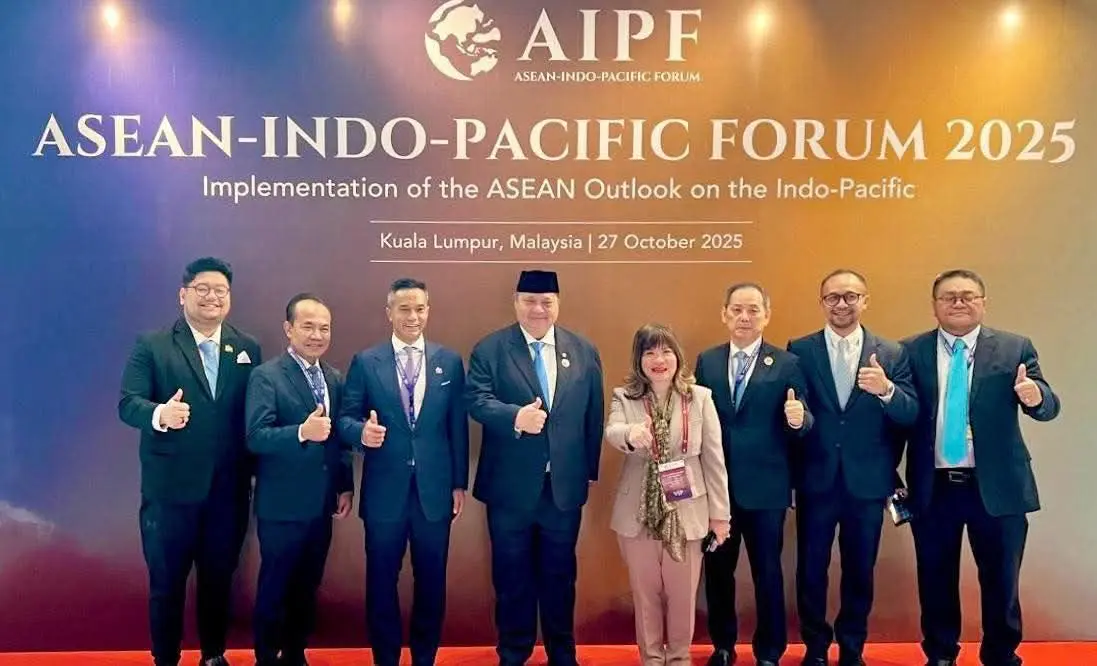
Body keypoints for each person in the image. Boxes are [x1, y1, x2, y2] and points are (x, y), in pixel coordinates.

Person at [899, 269, 1060, 666]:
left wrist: (1035, 394)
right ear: (934, 305)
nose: (958, 303)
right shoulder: (909, 351)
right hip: (934, 486)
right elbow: (899, 415)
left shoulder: (1013, 348)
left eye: (968, 296)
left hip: (998, 485)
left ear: (983, 303)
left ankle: (1002, 654)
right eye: (949, 297)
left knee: (1002, 579)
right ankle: (939, 654)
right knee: (935, 578)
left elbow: (1048, 406)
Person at [118, 257, 262, 666]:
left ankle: (214, 656)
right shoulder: (153, 345)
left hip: (227, 494)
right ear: (184, 294)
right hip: (170, 493)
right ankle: (165, 658)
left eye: (221, 290)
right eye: (203, 288)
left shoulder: (247, 347)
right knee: (167, 585)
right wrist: (159, 415)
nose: (212, 296)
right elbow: (128, 403)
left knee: (218, 582)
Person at [464, 269, 605, 666]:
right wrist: (514, 417)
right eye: (529, 301)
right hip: (510, 490)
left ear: (558, 304)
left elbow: (593, 415)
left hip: (562, 488)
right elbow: (474, 399)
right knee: (511, 578)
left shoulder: (582, 350)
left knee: (561, 577)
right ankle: (513, 653)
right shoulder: (491, 348)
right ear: (516, 302)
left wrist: (588, 472)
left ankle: (563, 654)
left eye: (546, 302)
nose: (538, 309)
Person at [786, 270, 919, 666]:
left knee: (860, 569)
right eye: (832, 297)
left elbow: (910, 413)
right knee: (810, 568)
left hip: (867, 481)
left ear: (866, 300)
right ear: (821, 302)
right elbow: (798, 410)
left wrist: (887, 391)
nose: (841, 304)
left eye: (850, 296)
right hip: (816, 479)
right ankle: (814, 647)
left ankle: (851, 647)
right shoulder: (801, 350)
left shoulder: (893, 353)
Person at [337, 278, 469, 666]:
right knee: (381, 583)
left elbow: (456, 427)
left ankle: (425, 658)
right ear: (389, 313)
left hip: (434, 492)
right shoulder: (366, 361)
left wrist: (458, 482)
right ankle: (386, 659)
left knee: (432, 583)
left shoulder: (449, 360)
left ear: (428, 311)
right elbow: (344, 418)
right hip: (384, 493)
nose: (413, 316)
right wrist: (361, 431)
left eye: (420, 309)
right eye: (405, 309)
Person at [694, 281, 812, 666]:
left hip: (767, 489)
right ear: (724, 314)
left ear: (767, 315)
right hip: (717, 491)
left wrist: (799, 420)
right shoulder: (707, 361)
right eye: (737, 310)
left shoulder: (788, 363)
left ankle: (769, 652)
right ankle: (723, 647)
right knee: (717, 573)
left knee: (768, 573)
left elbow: (806, 418)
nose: (745, 317)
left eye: (753, 310)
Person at [605, 323, 731, 666]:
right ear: (639, 359)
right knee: (645, 595)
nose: (658, 359)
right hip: (637, 512)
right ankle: (650, 659)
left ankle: (678, 658)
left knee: (682, 595)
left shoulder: (700, 397)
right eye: (649, 352)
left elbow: (714, 459)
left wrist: (721, 515)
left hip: (688, 510)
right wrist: (631, 433)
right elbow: (613, 431)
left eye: (665, 351)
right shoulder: (624, 397)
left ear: (677, 356)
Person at [245, 293, 354, 666]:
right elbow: (256, 436)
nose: (316, 335)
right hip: (281, 505)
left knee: (307, 587)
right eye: (308, 326)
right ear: (288, 329)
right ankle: (265, 657)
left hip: (320, 505)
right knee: (275, 587)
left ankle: (295, 654)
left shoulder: (335, 378)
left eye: (324, 328)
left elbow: (337, 437)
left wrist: (344, 485)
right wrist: (300, 433)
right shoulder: (266, 376)